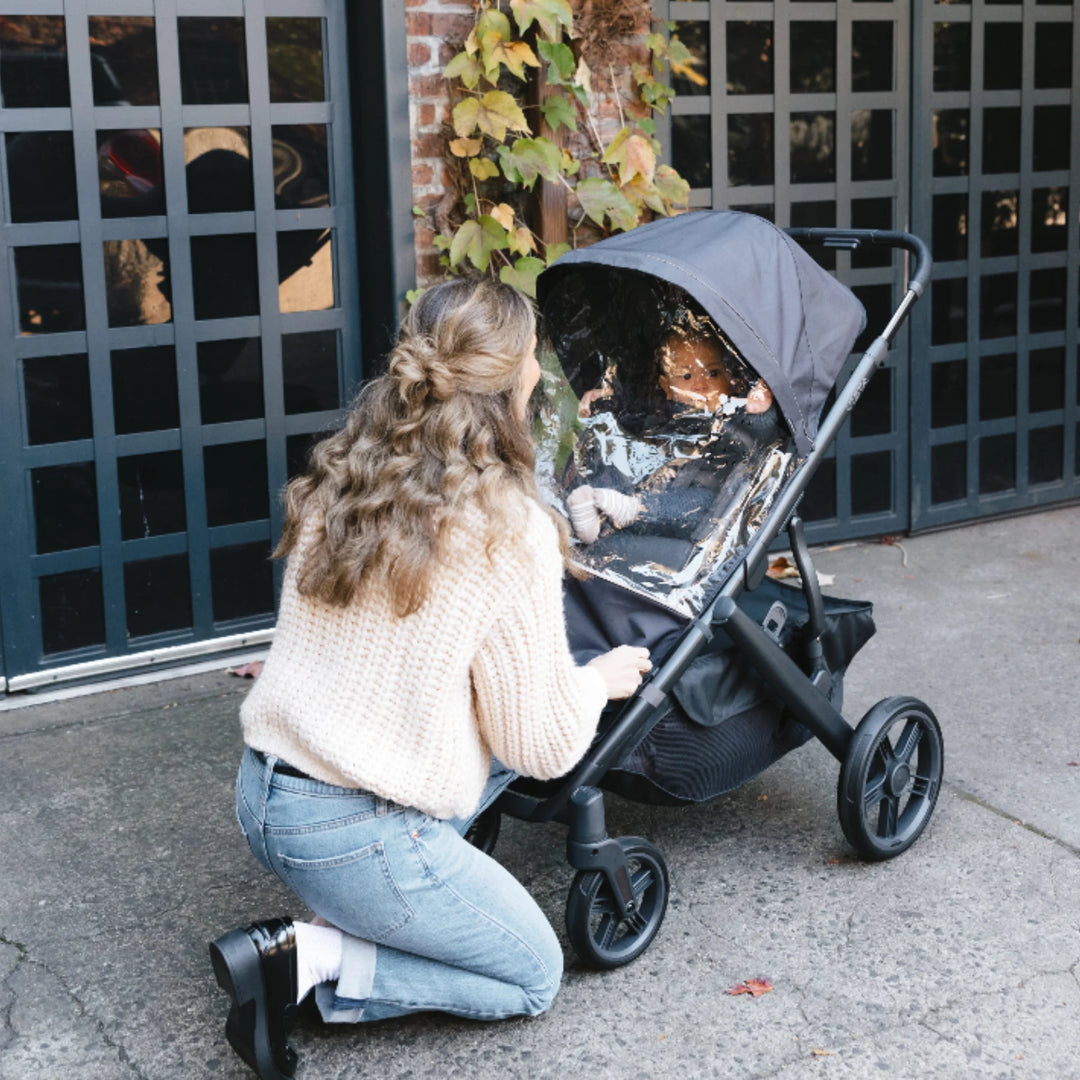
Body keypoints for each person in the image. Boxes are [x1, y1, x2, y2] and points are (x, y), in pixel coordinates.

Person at [207, 279, 651, 1080]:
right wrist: (598, 681)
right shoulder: (506, 522)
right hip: (352, 830)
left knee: (482, 742)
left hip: (264, 791)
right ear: (518, 379)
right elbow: (542, 745)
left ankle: (359, 914)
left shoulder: (343, 472)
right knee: (531, 974)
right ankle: (308, 961)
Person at [565, 320, 775, 545]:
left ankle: (629, 510)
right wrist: (608, 401)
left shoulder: (734, 412)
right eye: (686, 376)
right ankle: (591, 506)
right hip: (658, 480)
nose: (699, 385)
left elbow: (761, 433)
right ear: (666, 387)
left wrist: (758, 411)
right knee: (614, 456)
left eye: (713, 373)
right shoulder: (665, 410)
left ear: (730, 378)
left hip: (704, 494)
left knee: (703, 506)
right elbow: (635, 410)